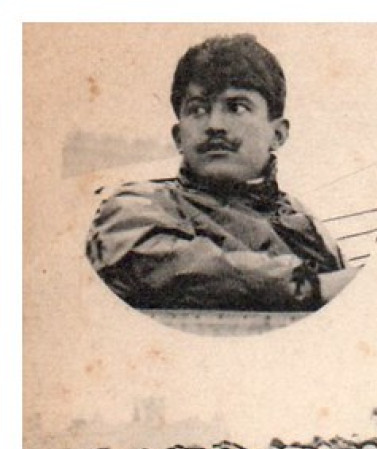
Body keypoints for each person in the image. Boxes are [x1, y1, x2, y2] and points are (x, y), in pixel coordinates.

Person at [86, 35, 354, 314]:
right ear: (178, 137)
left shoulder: (308, 227)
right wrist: (307, 286)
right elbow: (158, 265)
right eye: (198, 109)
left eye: (236, 107)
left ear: (277, 134)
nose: (214, 125)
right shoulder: (138, 208)